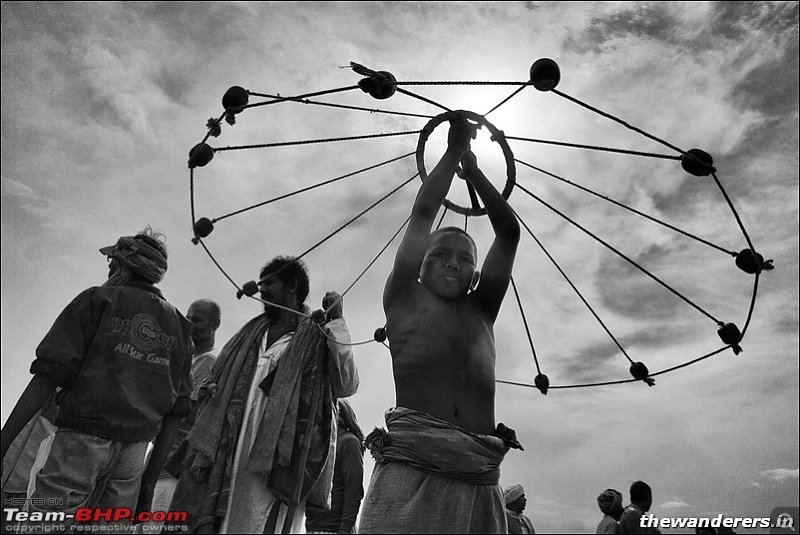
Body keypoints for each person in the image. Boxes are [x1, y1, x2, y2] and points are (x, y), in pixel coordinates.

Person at [358, 114, 522, 533]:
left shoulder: (482, 308)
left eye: (465, 258)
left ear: (475, 274)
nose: (453, 262)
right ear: (419, 265)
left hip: (478, 478)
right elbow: (423, 210)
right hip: (410, 471)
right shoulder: (403, 298)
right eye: (440, 254)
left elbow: (507, 233)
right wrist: (452, 154)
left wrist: (475, 171)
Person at [0, 226, 194, 532]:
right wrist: (146, 487)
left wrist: (3, 442)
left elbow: (47, 376)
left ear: (119, 265)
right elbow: (175, 414)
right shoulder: (180, 327)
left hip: (81, 444)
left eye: (112, 263)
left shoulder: (97, 300)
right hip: (132, 456)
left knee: (46, 525)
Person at [164, 255, 359, 533]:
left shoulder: (317, 335)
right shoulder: (250, 333)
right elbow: (217, 379)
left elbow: (346, 384)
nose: (262, 289)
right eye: (261, 283)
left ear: (292, 287)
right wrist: (211, 391)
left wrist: (338, 321)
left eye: (270, 283)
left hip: (280, 461)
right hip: (230, 450)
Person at [137, 299, 222, 533]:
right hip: (160, 460)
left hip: (174, 463)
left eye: (197, 319)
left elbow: (185, 415)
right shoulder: (189, 359)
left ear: (215, 324)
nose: (189, 324)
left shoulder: (207, 362)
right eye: (188, 317)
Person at [305, 399, 365, 534]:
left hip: (335, 529)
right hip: (313, 527)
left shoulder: (349, 442)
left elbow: (353, 490)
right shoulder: (319, 443)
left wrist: (345, 528)